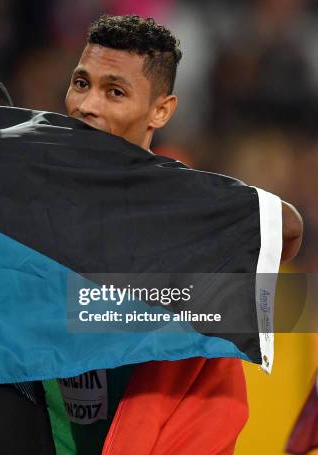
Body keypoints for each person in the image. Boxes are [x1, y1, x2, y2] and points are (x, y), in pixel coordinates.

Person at [49, 14, 303, 455]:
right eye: (81, 82)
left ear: (161, 111)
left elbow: (289, 228)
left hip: (161, 434)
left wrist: (110, 303)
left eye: (115, 92)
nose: (87, 105)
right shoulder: (36, 182)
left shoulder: (184, 206)